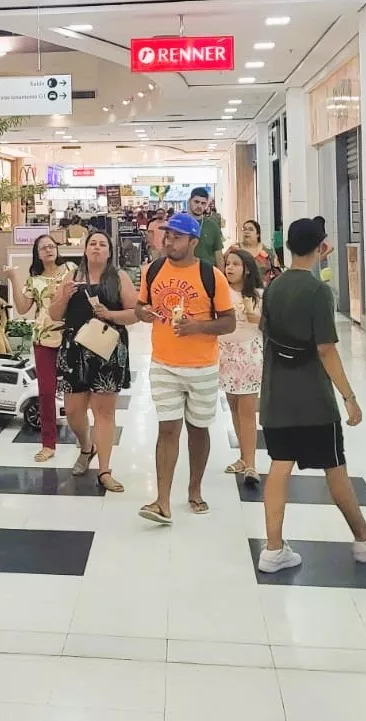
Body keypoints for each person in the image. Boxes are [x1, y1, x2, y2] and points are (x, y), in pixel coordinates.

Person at [258, 217, 366, 573]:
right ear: (321, 247)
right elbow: (326, 349)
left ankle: (273, 548)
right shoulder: (317, 291)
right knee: (335, 468)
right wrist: (350, 397)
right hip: (313, 402)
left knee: (279, 467)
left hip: (276, 396)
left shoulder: (274, 286)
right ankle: (365, 540)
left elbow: (266, 335)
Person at [134, 212, 237, 524]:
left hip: (202, 366)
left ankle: (194, 489)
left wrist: (197, 327)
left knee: (198, 428)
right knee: (167, 429)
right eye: (167, 235)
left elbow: (229, 322)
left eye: (177, 236)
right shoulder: (152, 270)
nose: (169, 241)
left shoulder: (211, 275)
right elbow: (139, 307)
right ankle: (162, 501)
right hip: (164, 363)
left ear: (194, 242)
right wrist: (144, 314)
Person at [50, 230, 137, 492]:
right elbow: (54, 314)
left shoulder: (119, 277)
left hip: (108, 350)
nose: (97, 248)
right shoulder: (72, 276)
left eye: (102, 244)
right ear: (85, 250)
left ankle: (105, 470)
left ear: (109, 252)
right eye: (92, 244)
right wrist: (64, 295)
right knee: (74, 411)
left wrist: (110, 314)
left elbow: (135, 314)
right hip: (74, 351)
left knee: (104, 412)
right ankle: (87, 447)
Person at [5, 235, 75, 462]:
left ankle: (84, 440)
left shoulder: (71, 270)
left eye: (51, 246)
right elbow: (23, 307)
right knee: (46, 392)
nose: (48, 250)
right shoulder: (33, 280)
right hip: (43, 338)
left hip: (71, 337)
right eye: (43, 247)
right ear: (37, 253)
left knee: (77, 391)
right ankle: (48, 443)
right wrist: (13, 278)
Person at [220, 249, 264, 486]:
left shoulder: (258, 295)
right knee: (234, 408)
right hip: (225, 354)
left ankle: (251, 465)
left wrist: (259, 320)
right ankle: (243, 457)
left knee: (247, 411)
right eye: (228, 264)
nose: (230, 268)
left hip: (249, 354)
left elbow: (270, 324)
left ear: (246, 268)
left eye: (236, 264)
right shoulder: (221, 293)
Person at [230, 219, 279, 284]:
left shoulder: (267, 252)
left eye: (250, 229)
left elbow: (277, 272)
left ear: (257, 234)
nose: (246, 232)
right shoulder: (234, 250)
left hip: (264, 290)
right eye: (244, 229)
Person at [187, 187, 224, 266]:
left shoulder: (212, 226)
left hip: (208, 272)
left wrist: (222, 277)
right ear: (190, 201)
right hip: (184, 272)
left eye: (203, 203)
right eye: (196, 202)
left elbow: (219, 256)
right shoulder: (181, 223)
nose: (199, 206)